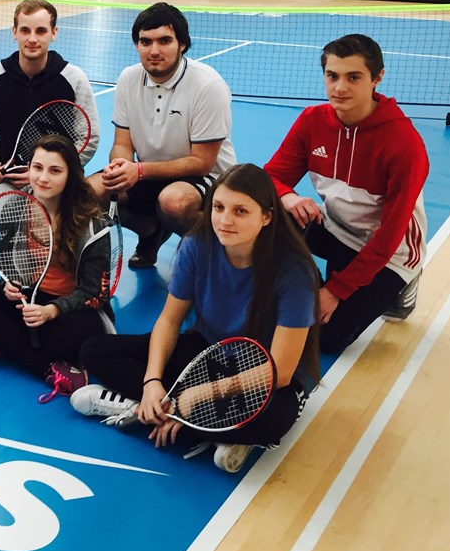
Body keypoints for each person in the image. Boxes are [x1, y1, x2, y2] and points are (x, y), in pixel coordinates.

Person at [71, 164, 319, 474]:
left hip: (262, 371)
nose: (225, 220)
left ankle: (147, 413)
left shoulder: (294, 270)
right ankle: (176, 416)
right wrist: (152, 382)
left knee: (273, 420)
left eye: (241, 211)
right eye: (218, 207)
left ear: (266, 216)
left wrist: (194, 398)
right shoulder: (197, 244)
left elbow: (280, 372)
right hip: (208, 351)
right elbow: (169, 321)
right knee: (95, 349)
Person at [264, 34, 428, 352]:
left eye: (353, 77)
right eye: (332, 76)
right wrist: (290, 197)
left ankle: (402, 287)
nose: (339, 88)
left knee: (325, 339)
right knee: (265, 214)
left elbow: (388, 238)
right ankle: (304, 285)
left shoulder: (404, 145)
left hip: (389, 255)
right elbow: (271, 176)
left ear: (377, 78)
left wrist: (335, 290)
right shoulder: (312, 121)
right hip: (337, 229)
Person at [0, 133, 115, 399]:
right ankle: (46, 367)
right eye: (37, 168)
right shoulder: (14, 209)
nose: (43, 178)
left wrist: (52, 311)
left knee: (79, 338)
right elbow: (7, 270)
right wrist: (9, 286)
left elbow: (93, 294)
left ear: (71, 175)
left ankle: (4, 341)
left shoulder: (93, 224)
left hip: (69, 308)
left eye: (55, 171)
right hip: (30, 299)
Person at [89, 2, 236, 269]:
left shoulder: (208, 86)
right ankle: (150, 232)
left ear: (182, 44)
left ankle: (208, 257)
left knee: (174, 203)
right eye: (145, 42)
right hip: (147, 172)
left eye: (164, 40)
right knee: (90, 191)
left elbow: (202, 162)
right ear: (136, 45)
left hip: (204, 178)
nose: (154, 50)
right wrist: (120, 166)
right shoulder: (128, 78)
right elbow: (122, 143)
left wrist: (139, 171)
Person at [0, 0, 99, 196]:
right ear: (14, 32)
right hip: (10, 181)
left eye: (41, 31)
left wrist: (46, 172)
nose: (32, 39)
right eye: (25, 30)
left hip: (59, 180)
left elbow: (88, 138)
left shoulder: (73, 78)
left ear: (54, 33)